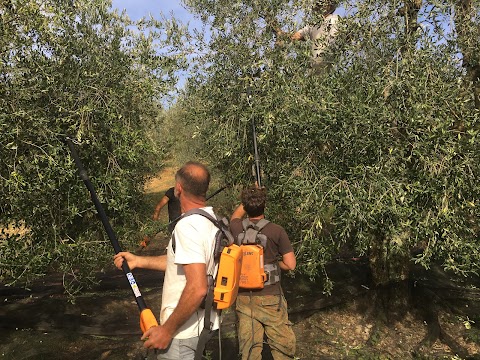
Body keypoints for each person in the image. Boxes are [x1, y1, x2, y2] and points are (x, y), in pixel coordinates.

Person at [114, 161, 220, 360]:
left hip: (182, 334)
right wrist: (139, 261)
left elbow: (198, 287)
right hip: (204, 324)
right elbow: (183, 262)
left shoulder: (188, 226)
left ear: (178, 189)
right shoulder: (211, 220)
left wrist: (167, 331)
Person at [230, 186, 296, 360]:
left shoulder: (236, 228)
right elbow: (290, 264)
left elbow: (235, 216)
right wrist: (276, 264)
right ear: (264, 205)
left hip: (244, 298)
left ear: (245, 206)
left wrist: (248, 200)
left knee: (249, 350)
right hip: (270, 297)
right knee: (282, 347)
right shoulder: (277, 231)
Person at [291, 1, 340, 75]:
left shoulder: (335, 20)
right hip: (314, 68)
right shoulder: (314, 24)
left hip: (329, 67)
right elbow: (297, 35)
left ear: (329, 6)